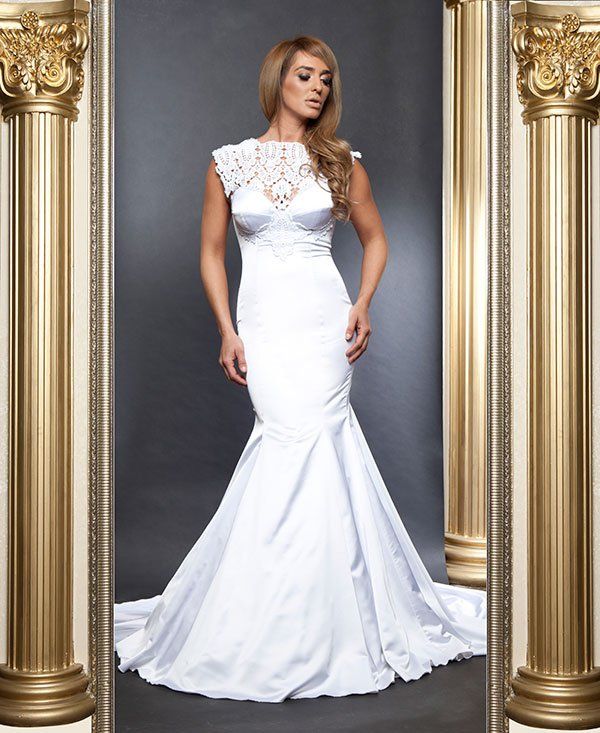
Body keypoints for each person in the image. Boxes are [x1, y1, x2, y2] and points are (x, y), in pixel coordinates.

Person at [114, 34, 486, 703]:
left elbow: (376, 239)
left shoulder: (341, 162)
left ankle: (329, 618)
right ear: (277, 80)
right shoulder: (228, 164)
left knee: (317, 441)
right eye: (306, 75)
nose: (318, 87)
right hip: (264, 325)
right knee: (285, 442)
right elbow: (210, 252)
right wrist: (227, 329)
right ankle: (270, 611)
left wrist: (364, 302)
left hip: (323, 323)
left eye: (326, 79)